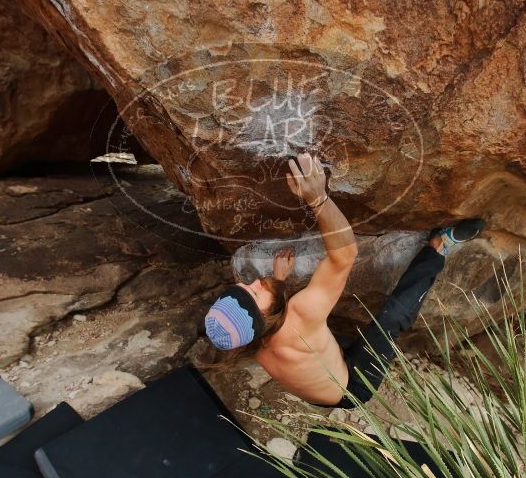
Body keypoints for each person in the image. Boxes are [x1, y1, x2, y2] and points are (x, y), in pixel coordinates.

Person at [204, 152, 484, 408]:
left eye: (243, 286)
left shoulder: (245, 340)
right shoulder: (300, 316)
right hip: (352, 387)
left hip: (322, 377)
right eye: (255, 293)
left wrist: (278, 281)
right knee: (390, 318)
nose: (255, 282)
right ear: (263, 318)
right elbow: (344, 255)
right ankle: (439, 248)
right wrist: (317, 198)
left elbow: (271, 318)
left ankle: (335, 353)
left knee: (334, 339)